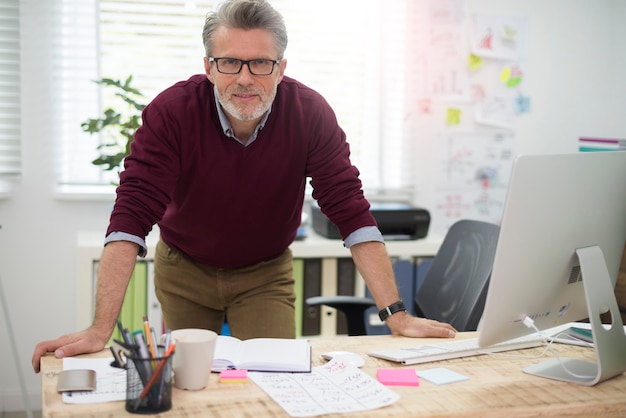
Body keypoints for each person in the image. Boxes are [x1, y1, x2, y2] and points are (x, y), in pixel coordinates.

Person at [32, 0, 455, 373]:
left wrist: (396, 315)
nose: (245, 78)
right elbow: (131, 215)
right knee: (193, 384)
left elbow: (350, 212)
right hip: (184, 269)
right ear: (209, 66)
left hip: (264, 272)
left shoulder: (310, 115)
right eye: (230, 62)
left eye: (261, 63)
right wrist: (100, 328)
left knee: (273, 380)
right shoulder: (172, 113)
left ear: (281, 67)